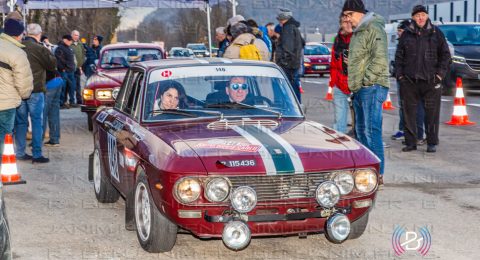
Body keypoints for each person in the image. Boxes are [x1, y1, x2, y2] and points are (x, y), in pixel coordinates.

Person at [342, 0, 390, 182]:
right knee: (361, 131)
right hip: (360, 88)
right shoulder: (359, 31)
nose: (347, 19)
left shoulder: (373, 28)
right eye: (345, 15)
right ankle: (365, 172)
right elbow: (365, 57)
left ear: (360, 13)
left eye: (349, 15)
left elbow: (380, 59)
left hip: (371, 86)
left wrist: (366, 81)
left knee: (371, 131)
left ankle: (378, 173)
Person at [395, 5, 451, 153]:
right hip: (409, 81)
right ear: (413, 17)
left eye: (423, 15)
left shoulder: (436, 33)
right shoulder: (406, 34)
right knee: (409, 115)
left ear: (427, 16)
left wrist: (439, 75)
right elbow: (399, 57)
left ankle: (431, 142)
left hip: (430, 81)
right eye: (417, 15)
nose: (420, 17)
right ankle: (411, 143)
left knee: (432, 114)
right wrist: (400, 76)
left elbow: (445, 56)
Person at [15, 23, 57, 163]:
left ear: (26, 33)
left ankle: (20, 152)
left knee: (20, 123)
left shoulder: (17, 46)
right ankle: (37, 154)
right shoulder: (40, 48)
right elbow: (52, 66)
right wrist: (48, 49)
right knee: (36, 122)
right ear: (39, 34)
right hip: (36, 90)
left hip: (19, 90)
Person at [0, 18, 34, 161]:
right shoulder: (17, 53)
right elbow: (23, 83)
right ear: (19, 34)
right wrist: (24, 95)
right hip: (6, 103)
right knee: (4, 138)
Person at [391, 20, 426, 146]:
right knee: (407, 107)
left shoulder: (412, 42)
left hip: (413, 80)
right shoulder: (405, 42)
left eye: (400, 31)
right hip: (406, 79)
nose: (399, 34)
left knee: (416, 108)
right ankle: (410, 134)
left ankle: (418, 135)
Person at [329, 14, 353, 134]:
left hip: (356, 84)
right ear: (341, 24)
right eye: (345, 22)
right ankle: (339, 141)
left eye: (350, 21)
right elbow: (333, 64)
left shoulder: (358, 37)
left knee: (360, 120)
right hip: (340, 84)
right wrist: (333, 83)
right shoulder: (337, 40)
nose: (348, 24)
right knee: (339, 119)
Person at [275, 8, 304, 103]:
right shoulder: (294, 28)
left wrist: (283, 62)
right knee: (294, 88)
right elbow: (302, 43)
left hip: (288, 66)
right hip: (293, 64)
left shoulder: (287, 29)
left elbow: (288, 49)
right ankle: (297, 107)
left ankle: (293, 109)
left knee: (289, 90)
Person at [55, 34, 76, 109]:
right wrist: (62, 68)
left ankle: (71, 101)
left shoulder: (69, 48)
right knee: (62, 88)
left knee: (71, 87)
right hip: (64, 71)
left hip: (71, 71)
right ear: (65, 40)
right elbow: (58, 60)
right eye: (70, 40)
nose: (71, 42)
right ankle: (61, 103)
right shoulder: (59, 48)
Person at [71, 30, 86, 106]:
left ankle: (79, 100)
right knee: (71, 84)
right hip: (71, 68)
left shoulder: (80, 44)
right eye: (75, 35)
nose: (76, 37)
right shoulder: (70, 43)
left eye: (77, 35)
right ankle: (71, 100)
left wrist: (81, 65)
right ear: (72, 35)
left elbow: (83, 54)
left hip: (78, 67)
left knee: (78, 84)